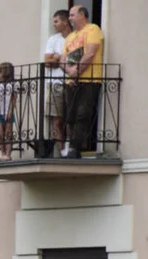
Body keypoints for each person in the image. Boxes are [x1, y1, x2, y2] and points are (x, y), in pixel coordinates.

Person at [61, 5, 104, 158]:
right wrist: (70, 72)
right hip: (71, 81)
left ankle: (76, 147)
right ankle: (70, 146)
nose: (70, 18)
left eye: (72, 15)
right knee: (70, 115)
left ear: (82, 15)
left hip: (89, 79)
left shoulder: (93, 29)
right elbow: (62, 60)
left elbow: (90, 53)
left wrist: (76, 72)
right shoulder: (70, 37)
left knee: (83, 113)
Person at [42, 10, 71, 157]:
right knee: (57, 118)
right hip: (54, 83)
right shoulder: (53, 39)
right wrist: (60, 59)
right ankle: (62, 149)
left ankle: (71, 146)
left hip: (71, 81)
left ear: (65, 22)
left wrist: (57, 58)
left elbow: (74, 61)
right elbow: (47, 62)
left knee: (71, 116)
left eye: (56, 21)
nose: (54, 25)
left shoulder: (74, 38)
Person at [0, 62, 17, 161]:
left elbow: (14, 98)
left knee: (8, 133)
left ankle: (8, 154)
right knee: (0, 133)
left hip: (8, 110)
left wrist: (10, 110)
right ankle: (2, 153)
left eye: (1, 71)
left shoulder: (12, 84)